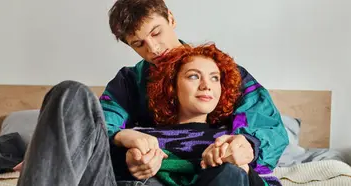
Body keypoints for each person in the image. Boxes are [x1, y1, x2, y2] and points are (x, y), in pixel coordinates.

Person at [16, 44, 276, 186]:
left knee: (231, 174)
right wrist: (121, 142)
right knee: (70, 92)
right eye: (194, 76)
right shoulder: (135, 135)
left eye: (215, 78)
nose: (207, 85)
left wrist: (242, 168)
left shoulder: (232, 141)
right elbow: (89, 161)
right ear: (171, 87)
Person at [104, 0, 288, 184]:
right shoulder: (128, 82)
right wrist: (121, 140)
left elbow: (267, 126)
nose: (153, 49)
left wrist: (247, 146)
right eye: (138, 44)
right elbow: (97, 131)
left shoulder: (227, 73)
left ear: (171, 18)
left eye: (156, 32)